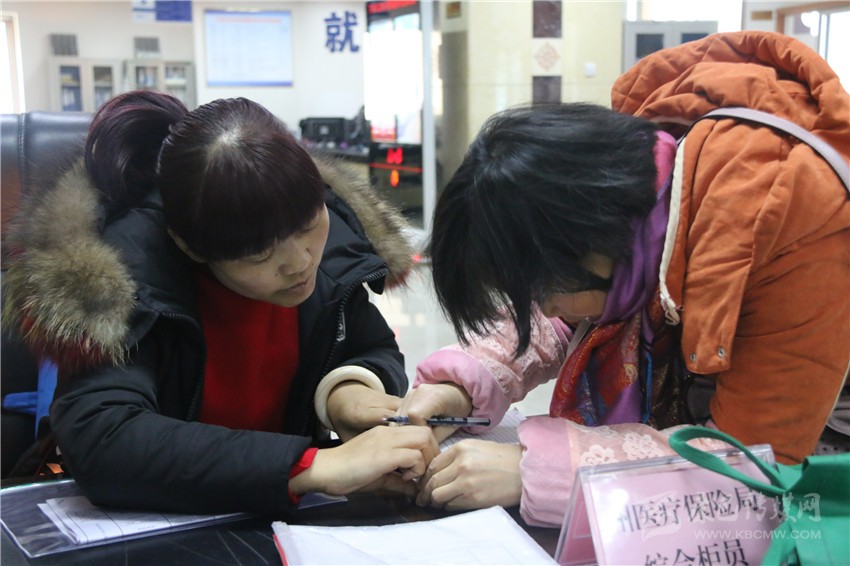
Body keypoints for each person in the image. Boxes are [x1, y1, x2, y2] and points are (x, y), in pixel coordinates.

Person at [398, 31, 850, 527]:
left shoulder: (793, 216)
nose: (543, 308)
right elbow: (567, 315)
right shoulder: (639, 188)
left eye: (543, 289)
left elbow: (754, 469)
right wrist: (459, 387)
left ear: (591, 240)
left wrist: (538, 472)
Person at [2, 91, 439, 514]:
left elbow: (372, 345)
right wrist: (311, 467)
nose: (301, 263)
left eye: (309, 225)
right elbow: (103, 438)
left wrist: (346, 392)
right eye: (259, 255)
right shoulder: (123, 284)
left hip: (281, 520)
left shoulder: (334, 254)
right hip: (170, 523)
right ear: (189, 245)